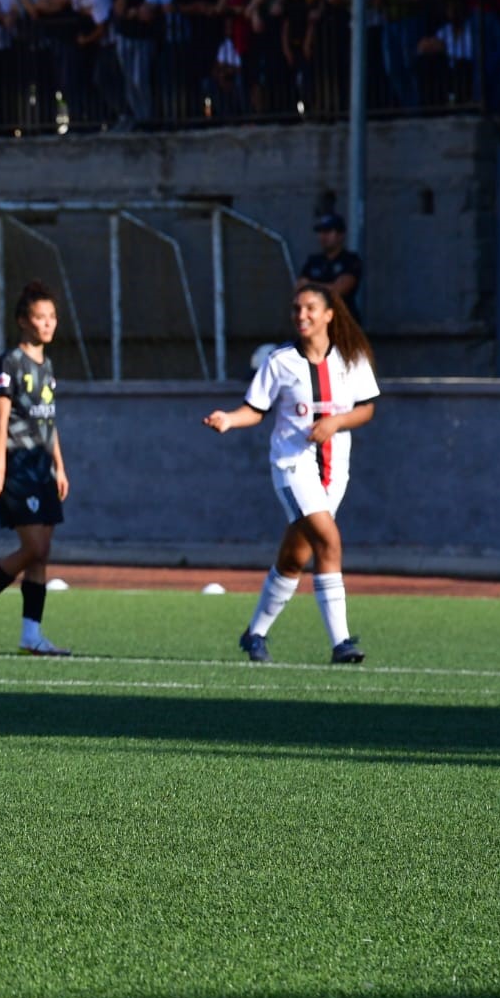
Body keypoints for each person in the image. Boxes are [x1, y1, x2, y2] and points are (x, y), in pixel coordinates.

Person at [202, 283, 380, 663]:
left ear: (329, 314)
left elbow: (367, 409)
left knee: (294, 557)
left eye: (310, 309)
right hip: (292, 466)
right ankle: (341, 643)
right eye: (296, 309)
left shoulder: (352, 357)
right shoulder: (280, 361)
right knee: (328, 541)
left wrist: (335, 423)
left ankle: (255, 634)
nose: (302, 316)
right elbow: (256, 408)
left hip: (335, 469)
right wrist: (229, 420)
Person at [0, 281, 71, 656]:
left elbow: (48, 422)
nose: (48, 323)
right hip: (18, 468)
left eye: (52, 317)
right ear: (24, 321)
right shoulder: (10, 361)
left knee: (42, 552)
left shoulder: (48, 365)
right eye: (40, 317)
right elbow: (0, 421)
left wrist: (60, 467)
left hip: (44, 470)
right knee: (33, 545)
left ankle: (31, 635)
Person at [299, 212, 362, 310]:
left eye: (328, 231)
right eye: (320, 232)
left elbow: (337, 291)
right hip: (317, 320)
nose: (323, 236)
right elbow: (300, 288)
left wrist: (310, 285)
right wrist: (326, 286)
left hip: (342, 320)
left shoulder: (350, 260)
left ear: (340, 235)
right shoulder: (313, 261)